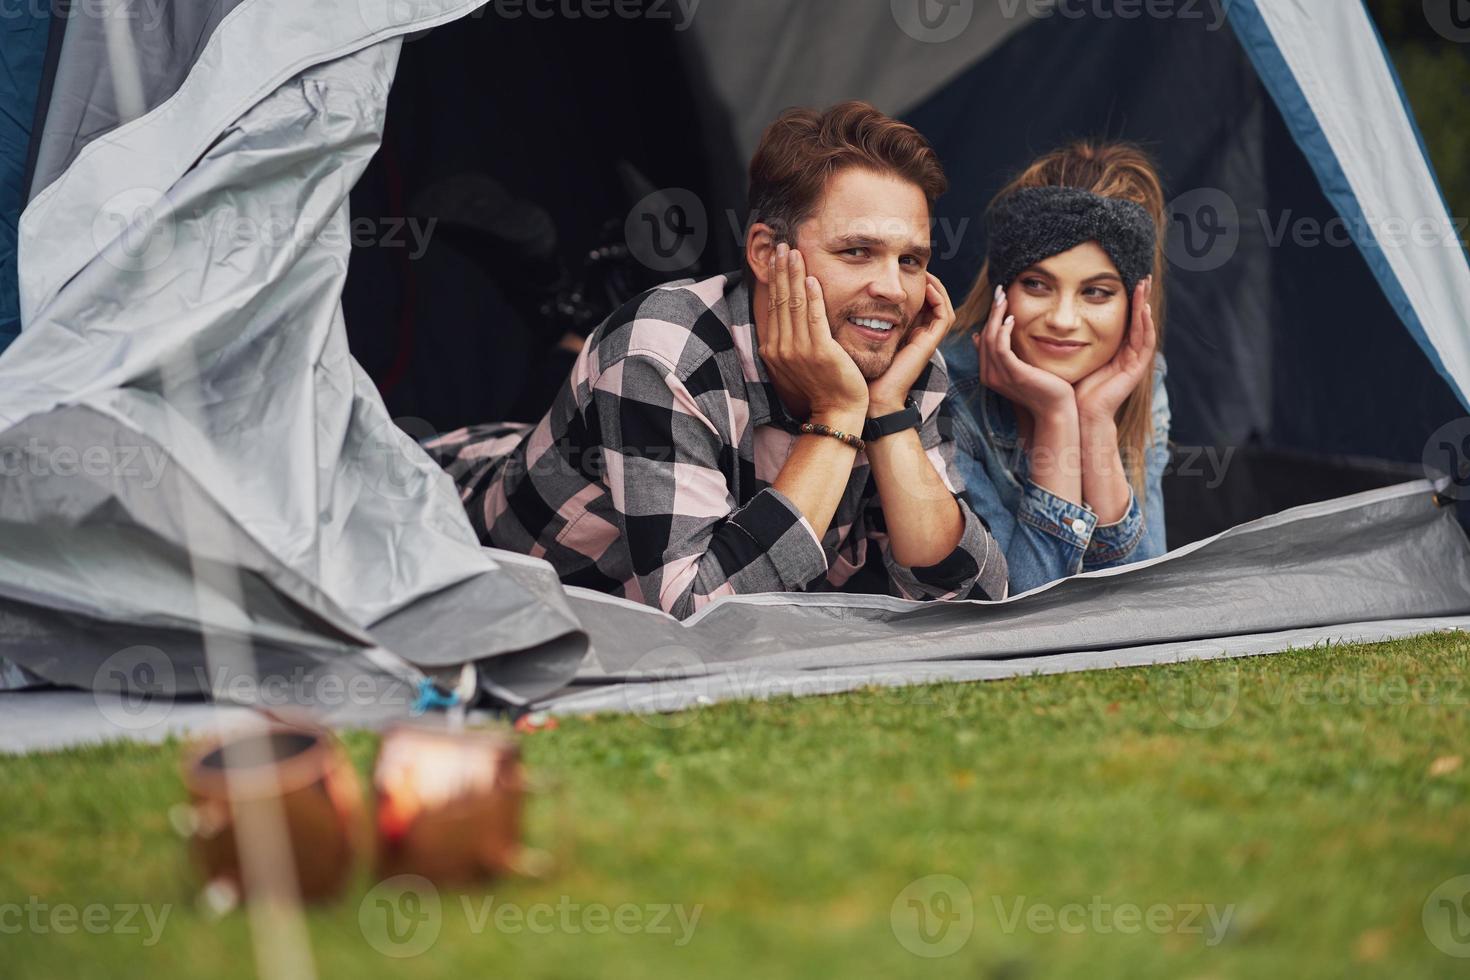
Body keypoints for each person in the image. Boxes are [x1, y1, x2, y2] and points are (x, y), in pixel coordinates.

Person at [426, 102, 1007, 618]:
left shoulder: (893, 360)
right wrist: (837, 410)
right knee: (623, 351)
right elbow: (701, 618)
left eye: (911, 261)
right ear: (764, 252)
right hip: (436, 507)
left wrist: (884, 412)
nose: (894, 290)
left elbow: (976, 600)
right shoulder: (657, 351)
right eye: (857, 252)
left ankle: (571, 316)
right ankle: (564, 309)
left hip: (602, 436)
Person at [940, 142, 1172, 595]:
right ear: (1002, 288)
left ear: (1134, 303)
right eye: (1037, 284)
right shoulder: (945, 389)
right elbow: (1022, 605)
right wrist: (1056, 416)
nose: (1064, 319)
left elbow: (1145, 598)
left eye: (1097, 292)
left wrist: (1095, 420)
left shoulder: (1142, 380)